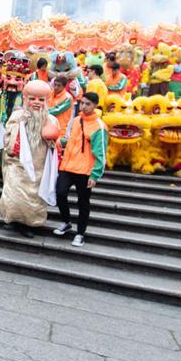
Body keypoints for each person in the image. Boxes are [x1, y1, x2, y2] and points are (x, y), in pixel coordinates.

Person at [0, 80, 60, 237]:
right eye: (32, 99)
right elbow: (7, 139)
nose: (36, 103)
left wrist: (52, 141)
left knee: (36, 196)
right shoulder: (18, 116)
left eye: (41, 100)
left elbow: (56, 144)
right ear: (25, 98)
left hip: (40, 165)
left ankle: (32, 223)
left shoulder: (52, 120)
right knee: (16, 194)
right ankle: (16, 222)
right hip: (18, 164)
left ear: (47, 100)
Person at [53, 92, 107, 247]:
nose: (83, 106)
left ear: (95, 105)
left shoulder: (99, 127)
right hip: (68, 166)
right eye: (82, 103)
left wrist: (95, 175)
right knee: (60, 193)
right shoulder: (76, 120)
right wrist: (56, 140)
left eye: (88, 104)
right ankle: (66, 221)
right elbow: (68, 139)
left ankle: (80, 233)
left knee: (83, 202)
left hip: (85, 171)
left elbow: (101, 153)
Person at [48, 75, 74, 140]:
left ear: (64, 86)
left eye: (59, 85)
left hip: (61, 129)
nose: (56, 87)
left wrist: (42, 112)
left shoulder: (67, 98)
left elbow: (57, 110)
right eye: (55, 85)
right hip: (49, 126)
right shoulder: (50, 93)